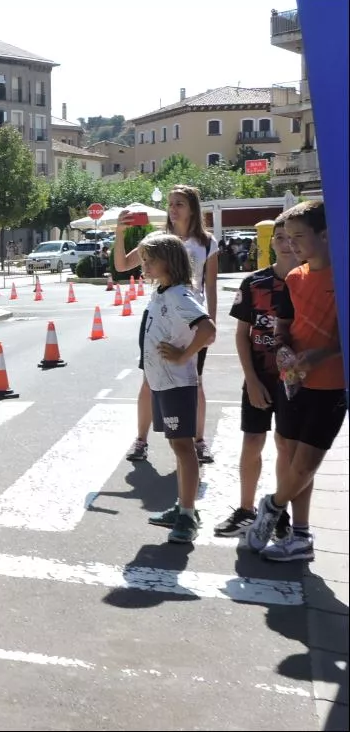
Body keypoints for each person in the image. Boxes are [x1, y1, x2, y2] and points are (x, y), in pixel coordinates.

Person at [248, 201, 345, 561]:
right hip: (292, 382)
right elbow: (283, 326)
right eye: (287, 238)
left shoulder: (342, 276)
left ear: (325, 234)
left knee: (306, 464)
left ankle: (272, 506)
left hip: (331, 386)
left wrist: (323, 355)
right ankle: (300, 536)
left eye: (299, 236)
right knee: (290, 458)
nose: (291, 245)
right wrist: (283, 349)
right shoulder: (293, 279)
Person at [116, 186, 218, 466]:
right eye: (171, 203)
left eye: (179, 204)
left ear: (193, 208)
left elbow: (210, 286)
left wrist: (211, 322)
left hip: (192, 320)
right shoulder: (157, 240)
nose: (173, 209)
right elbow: (122, 265)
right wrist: (120, 233)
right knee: (149, 379)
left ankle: (199, 441)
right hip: (160, 318)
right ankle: (141, 440)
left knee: (195, 380)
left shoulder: (206, 242)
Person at [214, 219, 302, 538]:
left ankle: (280, 512)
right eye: (279, 237)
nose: (285, 243)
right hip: (260, 377)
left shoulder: (309, 281)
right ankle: (246, 510)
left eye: (291, 237)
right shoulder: (254, 282)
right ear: (271, 243)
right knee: (252, 441)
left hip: (296, 380)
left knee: (286, 445)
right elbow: (242, 334)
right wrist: (250, 379)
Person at [132, 232, 217, 543]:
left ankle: (188, 515)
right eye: (143, 260)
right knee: (176, 446)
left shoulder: (180, 294)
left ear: (169, 262)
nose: (144, 265)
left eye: (150, 260)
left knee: (183, 448)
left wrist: (184, 355)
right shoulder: (162, 291)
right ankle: (182, 506)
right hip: (161, 382)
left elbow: (208, 329)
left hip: (176, 383)